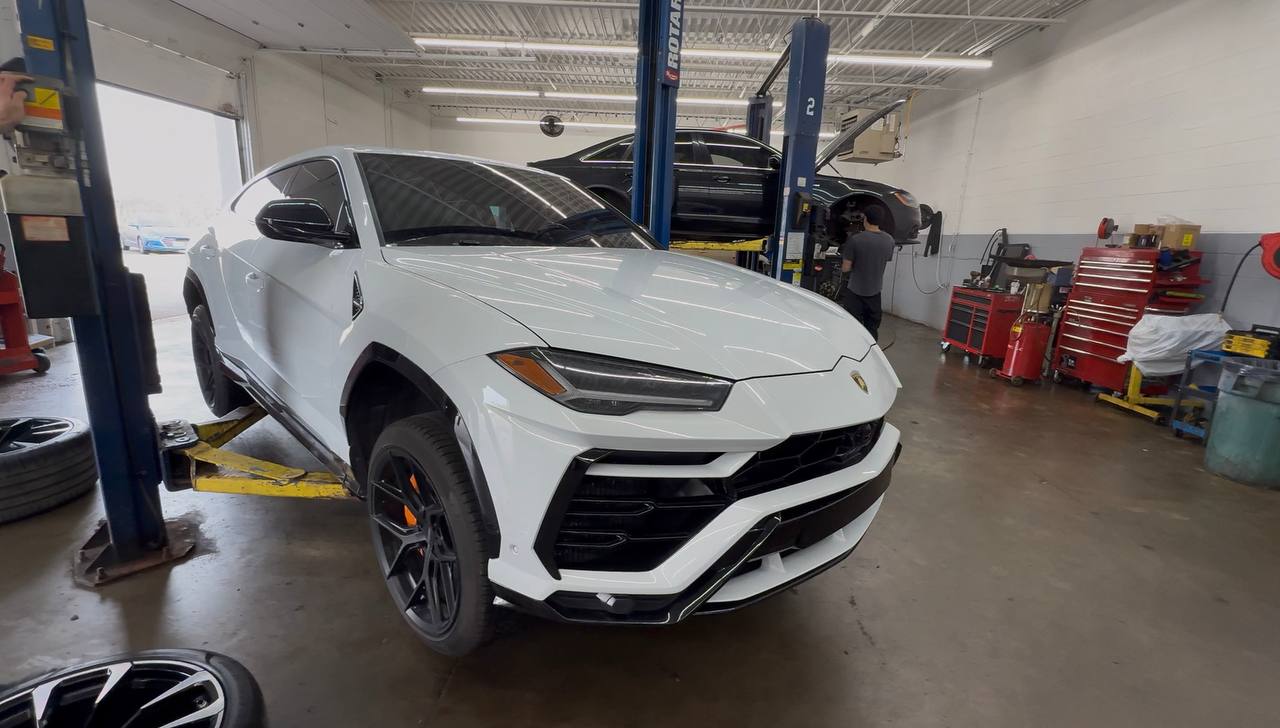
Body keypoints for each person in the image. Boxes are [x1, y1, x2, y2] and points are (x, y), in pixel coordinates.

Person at [839, 205, 895, 341]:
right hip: (875, 293)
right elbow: (885, 259)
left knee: (853, 330)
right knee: (871, 331)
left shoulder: (855, 240)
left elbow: (845, 268)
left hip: (855, 293)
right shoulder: (889, 240)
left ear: (865, 219)